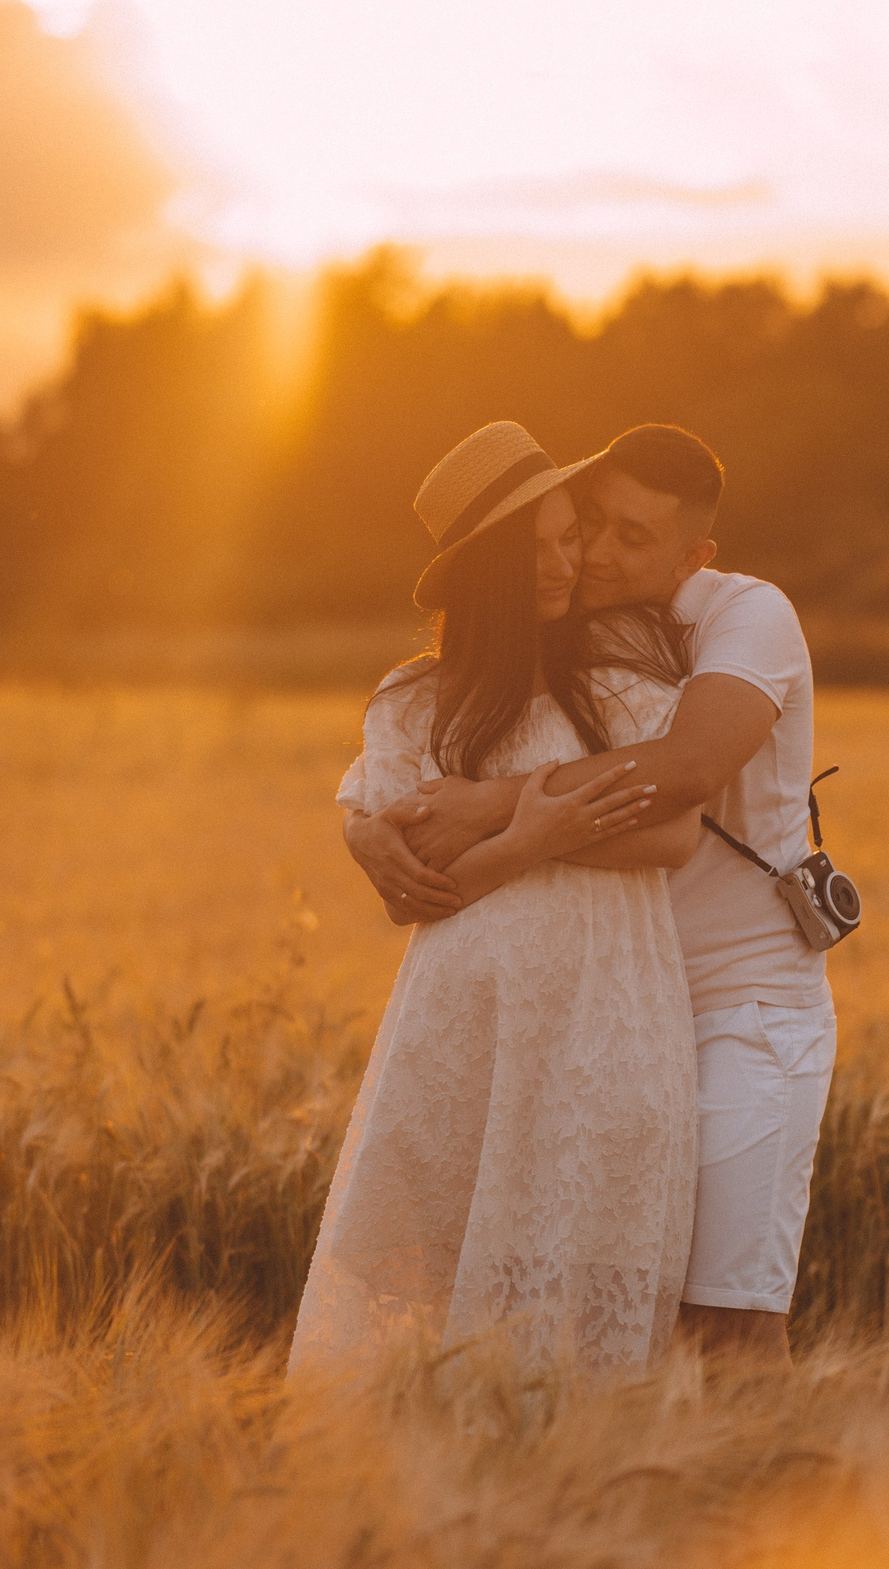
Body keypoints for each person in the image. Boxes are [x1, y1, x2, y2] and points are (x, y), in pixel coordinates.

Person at [346, 425, 835, 1366]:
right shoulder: (590, 627)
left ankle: (788, 1512)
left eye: (630, 538)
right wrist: (359, 820)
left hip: (742, 1011)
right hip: (609, 1026)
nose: (596, 554)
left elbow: (687, 772)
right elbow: (436, 719)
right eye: (588, 526)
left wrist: (497, 812)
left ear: (695, 556)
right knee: (601, 1323)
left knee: (727, 1322)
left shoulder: (748, 616)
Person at [289, 422, 706, 1375]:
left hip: (603, 1024)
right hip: (462, 1032)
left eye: (574, 536)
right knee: (438, 1324)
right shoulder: (410, 703)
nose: (570, 563)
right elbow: (411, 892)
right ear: (486, 566)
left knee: (576, 1311)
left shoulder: (623, 680)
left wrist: (511, 835)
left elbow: (675, 833)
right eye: (543, 545)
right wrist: (536, 835)